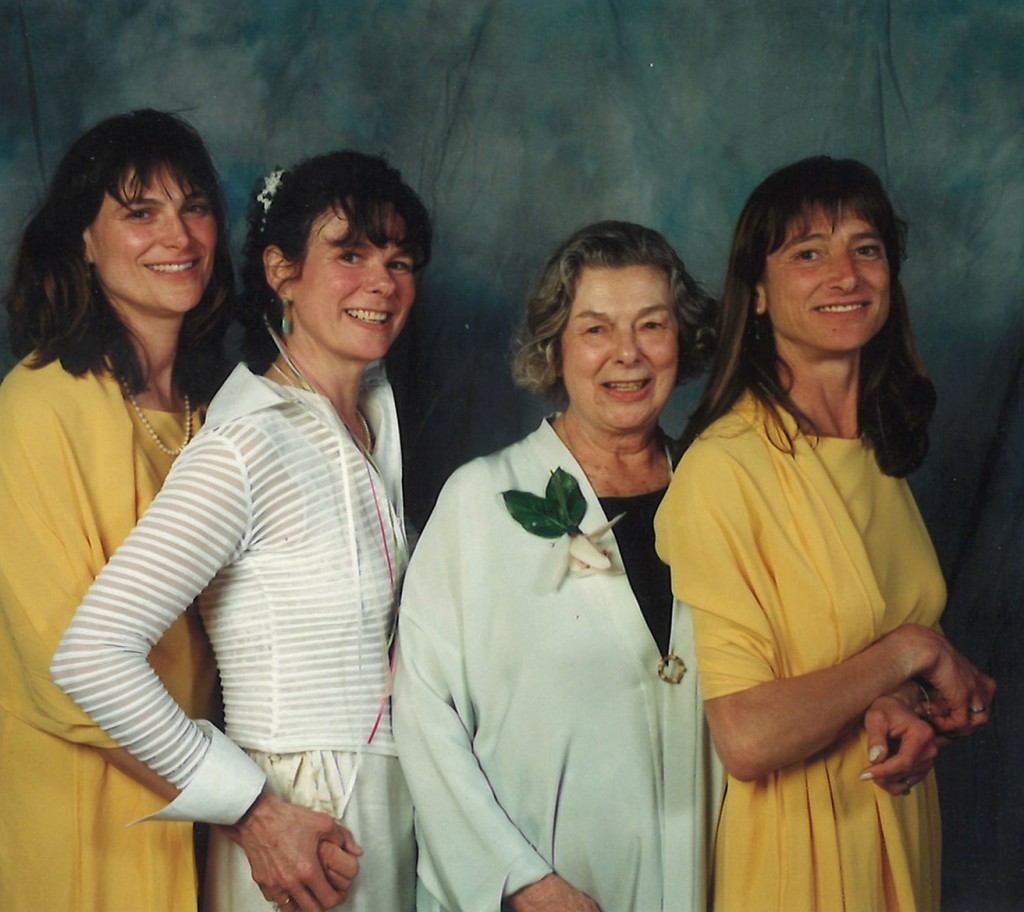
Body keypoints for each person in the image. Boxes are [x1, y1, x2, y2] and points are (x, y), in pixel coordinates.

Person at [52, 149, 432, 912]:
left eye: (399, 260)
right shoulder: (247, 442)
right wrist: (252, 810)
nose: (382, 282)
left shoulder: (372, 421)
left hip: (398, 803)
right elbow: (92, 654)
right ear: (281, 271)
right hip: (303, 813)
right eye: (350, 254)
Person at [654, 156, 997, 912]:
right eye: (808, 252)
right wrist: (913, 652)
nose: (845, 274)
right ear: (760, 295)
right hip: (794, 849)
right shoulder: (724, 470)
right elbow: (745, 737)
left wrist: (907, 697)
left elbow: (856, 650)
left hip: (897, 823)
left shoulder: (876, 453)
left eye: (865, 248)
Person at [393, 220, 722, 911]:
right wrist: (519, 882)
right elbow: (424, 713)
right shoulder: (482, 500)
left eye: (651, 325)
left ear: (680, 340)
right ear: (556, 346)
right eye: (596, 328)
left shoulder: (722, 492)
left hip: (712, 877)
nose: (627, 355)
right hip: (546, 893)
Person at [0, 109, 233, 911]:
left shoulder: (219, 410)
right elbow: (64, 671)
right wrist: (242, 804)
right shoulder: (39, 405)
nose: (179, 234)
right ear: (84, 241)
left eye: (194, 205)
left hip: (205, 810)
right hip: (85, 813)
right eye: (140, 213)